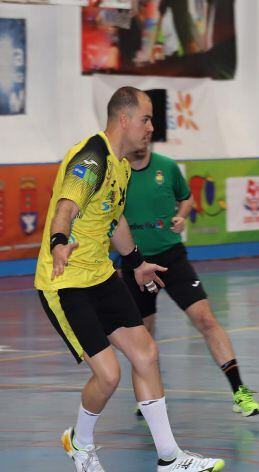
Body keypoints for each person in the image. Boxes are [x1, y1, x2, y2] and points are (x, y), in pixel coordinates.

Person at [34, 86, 224, 472]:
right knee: (109, 375)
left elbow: (114, 219)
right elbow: (66, 207)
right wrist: (57, 242)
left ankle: (169, 458)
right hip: (65, 282)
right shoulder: (93, 158)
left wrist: (136, 262)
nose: (151, 127)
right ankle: (80, 443)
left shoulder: (121, 164)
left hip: (101, 276)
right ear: (123, 119)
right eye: (146, 118)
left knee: (146, 354)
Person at [121, 144, 259, 417]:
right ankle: (150, 398)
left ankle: (239, 391)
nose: (147, 131)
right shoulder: (116, 172)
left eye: (150, 125)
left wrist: (181, 216)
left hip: (172, 258)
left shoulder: (167, 167)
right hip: (135, 264)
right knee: (142, 336)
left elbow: (186, 198)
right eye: (143, 123)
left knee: (206, 319)